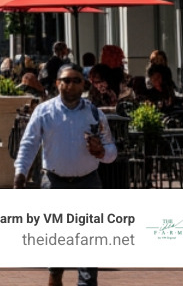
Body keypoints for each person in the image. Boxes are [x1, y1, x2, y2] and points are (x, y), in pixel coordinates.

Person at [14, 65, 116, 286]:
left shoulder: (95, 113)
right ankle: (55, 273)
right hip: (54, 182)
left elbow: (111, 151)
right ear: (57, 83)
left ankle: (86, 282)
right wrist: (20, 173)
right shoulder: (44, 111)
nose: (70, 85)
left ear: (84, 84)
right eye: (65, 80)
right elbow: (29, 144)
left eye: (76, 80)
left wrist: (102, 152)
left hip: (88, 181)